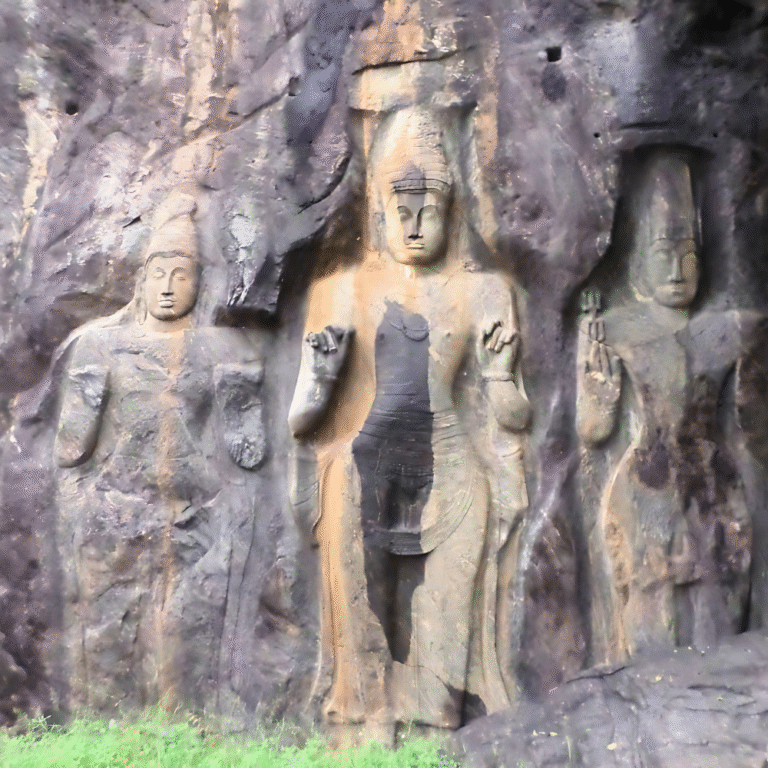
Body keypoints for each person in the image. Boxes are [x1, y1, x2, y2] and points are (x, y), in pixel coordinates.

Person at [289, 109, 530, 743]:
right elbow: (301, 422)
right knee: (365, 633)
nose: (417, 224)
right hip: (364, 470)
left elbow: (513, 420)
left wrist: (502, 375)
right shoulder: (342, 289)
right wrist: (318, 376)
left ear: (453, 211)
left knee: (443, 626)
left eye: (430, 209)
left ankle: (439, 729)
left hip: (452, 473)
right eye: (403, 209)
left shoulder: (485, 291)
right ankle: (365, 726)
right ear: (378, 212)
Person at [55, 193, 264, 713]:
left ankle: (191, 729)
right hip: (114, 511)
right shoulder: (97, 347)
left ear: (201, 281)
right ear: (141, 280)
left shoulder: (226, 348)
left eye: (182, 274)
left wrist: (243, 392)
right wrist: (88, 394)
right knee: (108, 632)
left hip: (198, 516)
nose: (169, 287)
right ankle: (103, 727)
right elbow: (70, 450)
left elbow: (249, 452)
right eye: (158, 274)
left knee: (190, 637)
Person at [577, 151, 754, 661]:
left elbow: (751, 425)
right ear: (638, 260)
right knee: (652, 616)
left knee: (720, 612)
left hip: (716, 487)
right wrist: (598, 387)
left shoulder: (728, 330)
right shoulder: (616, 330)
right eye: (663, 253)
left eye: (689, 255)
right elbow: (592, 431)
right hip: (647, 489)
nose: (678, 268)